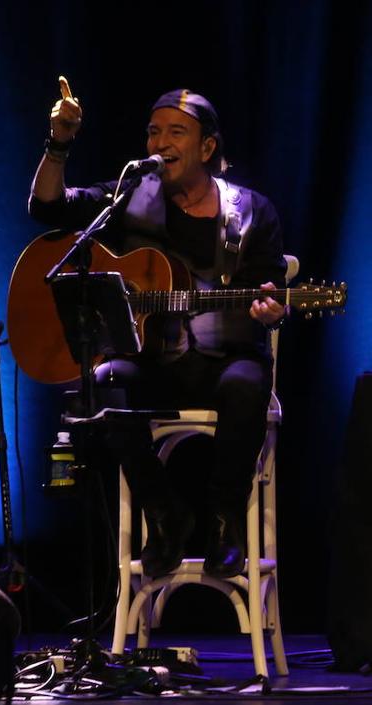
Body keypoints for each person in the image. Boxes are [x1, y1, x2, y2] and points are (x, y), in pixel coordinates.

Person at [29, 77, 287, 579]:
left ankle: (222, 519)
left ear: (208, 147)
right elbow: (47, 209)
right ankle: (163, 511)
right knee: (101, 385)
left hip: (224, 359)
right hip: (151, 359)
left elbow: (270, 288)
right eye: (153, 132)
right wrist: (59, 142)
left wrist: (271, 308)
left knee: (246, 386)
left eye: (176, 133)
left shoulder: (251, 211)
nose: (160, 144)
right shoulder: (128, 196)